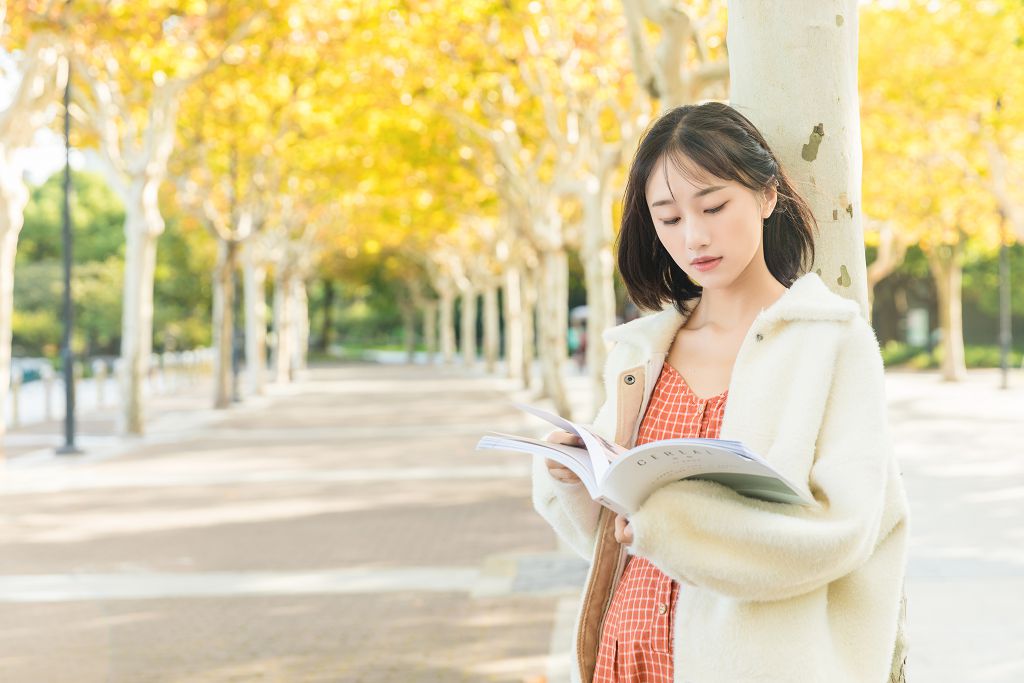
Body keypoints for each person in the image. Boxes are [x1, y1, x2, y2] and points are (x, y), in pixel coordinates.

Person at [531, 102, 909, 683]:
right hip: (622, 658)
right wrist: (572, 476)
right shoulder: (640, 352)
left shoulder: (830, 343)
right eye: (669, 218)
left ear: (765, 196)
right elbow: (616, 540)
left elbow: (843, 531)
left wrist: (676, 529)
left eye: (713, 206)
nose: (695, 236)